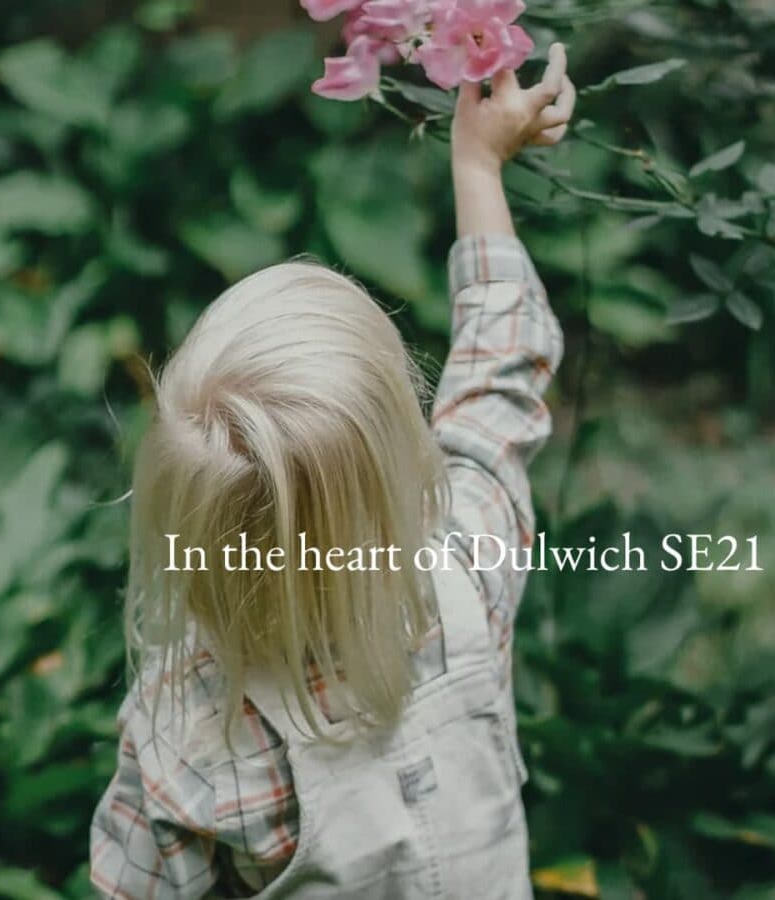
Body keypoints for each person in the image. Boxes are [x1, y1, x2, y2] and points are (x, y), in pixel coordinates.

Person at [91, 42, 575, 899]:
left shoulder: (185, 738)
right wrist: (478, 165)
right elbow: (501, 373)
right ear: (405, 473)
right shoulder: (463, 568)